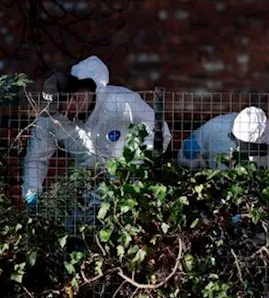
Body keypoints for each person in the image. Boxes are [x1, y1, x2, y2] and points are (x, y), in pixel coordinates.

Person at [21, 55, 173, 210]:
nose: (58, 114)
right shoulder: (51, 118)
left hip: (132, 193)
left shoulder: (122, 101)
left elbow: (160, 133)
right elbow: (36, 158)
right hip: (87, 196)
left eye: (60, 108)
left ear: (76, 99)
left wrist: (134, 168)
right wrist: (31, 193)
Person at [178, 106, 269, 203]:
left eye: (255, 149)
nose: (250, 156)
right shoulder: (216, 128)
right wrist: (189, 157)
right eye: (246, 147)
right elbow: (184, 159)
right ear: (234, 137)